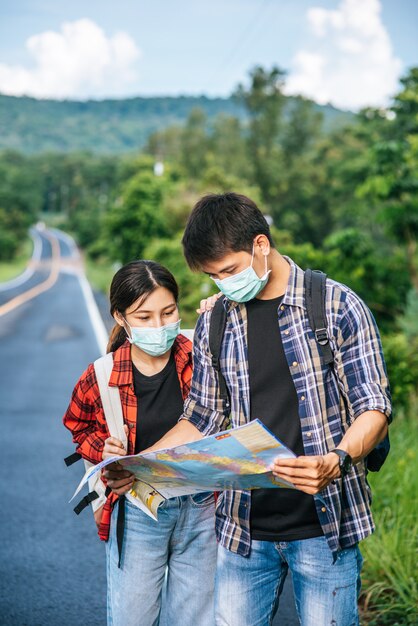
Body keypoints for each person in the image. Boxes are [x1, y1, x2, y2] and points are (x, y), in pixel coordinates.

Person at [107, 193, 392, 626]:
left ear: (261, 244)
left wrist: (336, 459)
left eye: (230, 270)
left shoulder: (335, 306)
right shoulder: (215, 321)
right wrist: (144, 465)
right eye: (213, 276)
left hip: (323, 527)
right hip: (242, 532)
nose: (223, 283)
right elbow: (201, 416)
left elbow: (373, 406)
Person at [63, 260, 217, 626]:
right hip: (138, 510)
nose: (159, 326)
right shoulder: (102, 374)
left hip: (202, 507)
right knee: (133, 616)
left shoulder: (201, 352)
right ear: (121, 317)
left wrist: (223, 313)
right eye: (144, 317)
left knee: (195, 618)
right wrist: (103, 450)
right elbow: (77, 424)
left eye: (168, 312)